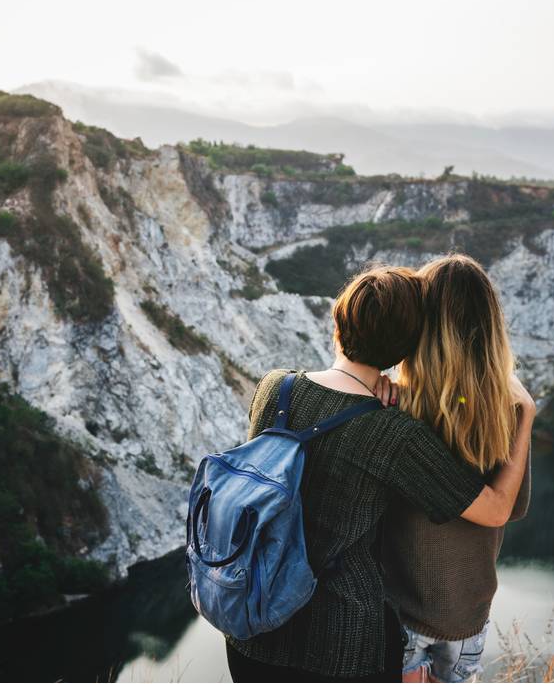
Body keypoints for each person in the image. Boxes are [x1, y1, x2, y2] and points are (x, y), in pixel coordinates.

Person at [225, 264, 535, 683]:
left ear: (337, 324)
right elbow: (500, 509)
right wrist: (524, 412)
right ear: (403, 347)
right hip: (341, 643)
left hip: (251, 620)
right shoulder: (393, 432)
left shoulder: (274, 388)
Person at [375, 254, 533, 683]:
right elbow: (512, 508)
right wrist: (528, 416)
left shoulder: (394, 403)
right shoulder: (506, 411)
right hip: (468, 614)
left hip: (402, 610)